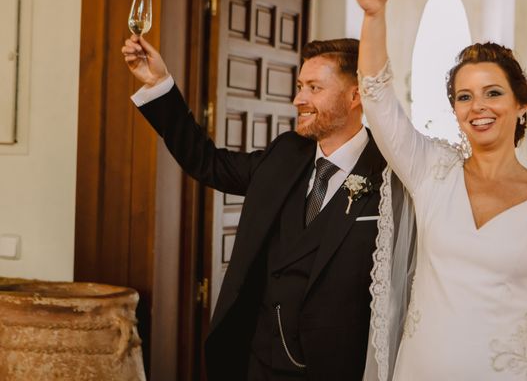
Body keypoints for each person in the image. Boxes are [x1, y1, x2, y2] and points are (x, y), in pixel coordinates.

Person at [351, 0, 527, 380]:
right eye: (464, 97)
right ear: (455, 110)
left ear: (521, 104)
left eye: (493, 93)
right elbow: (376, 99)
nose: (478, 106)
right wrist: (374, 14)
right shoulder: (432, 171)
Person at [121, 35, 388, 380]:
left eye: (314, 88)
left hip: (338, 368)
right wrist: (159, 84)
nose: (298, 99)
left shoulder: (387, 174)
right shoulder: (285, 153)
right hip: (258, 361)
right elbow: (208, 162)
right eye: (299, 86)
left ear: (356, 95)